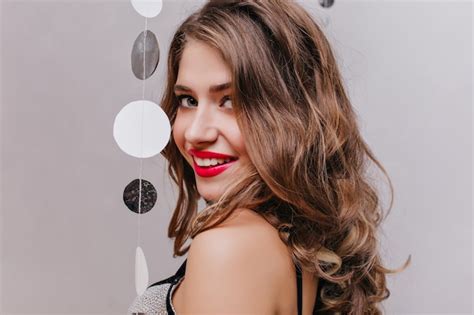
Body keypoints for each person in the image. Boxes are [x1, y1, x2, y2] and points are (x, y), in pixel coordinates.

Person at [128, 0, 411, 314]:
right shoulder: (297, 242)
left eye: (230, 101)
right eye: (188, 100)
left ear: (291, 114)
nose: (196, 132)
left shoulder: (229, 250)